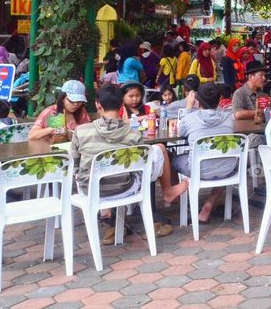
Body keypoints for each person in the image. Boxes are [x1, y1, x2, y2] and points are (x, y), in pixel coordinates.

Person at [72, 85, 188, 240]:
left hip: (90, 190)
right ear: (121, 104)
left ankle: (111, 218)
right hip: (125, 187)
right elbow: (142, 163)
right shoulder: (133, 134)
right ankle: (167, 191)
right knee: (158, 150)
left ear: (97, 104)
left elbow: (75, 163)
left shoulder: (81, 131)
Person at [175, 82, 237, 223]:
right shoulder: (230, 118)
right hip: (228, 169)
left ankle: (178, 197)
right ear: (220, 98)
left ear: (197, 99)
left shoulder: (190, 119)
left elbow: (180, 131)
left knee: (173, 158)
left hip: (199, 170)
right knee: (224, 162)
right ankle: (209, 203)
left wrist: (189, 107)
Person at [29, 79, 93, 140]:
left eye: (79, 101)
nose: (76, 104)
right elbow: (32, 136)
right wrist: (52, 129)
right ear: (62, 99)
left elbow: (88, 132)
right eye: (71, 101)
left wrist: (69, 134)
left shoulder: (81, 112)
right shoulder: (51, 112)